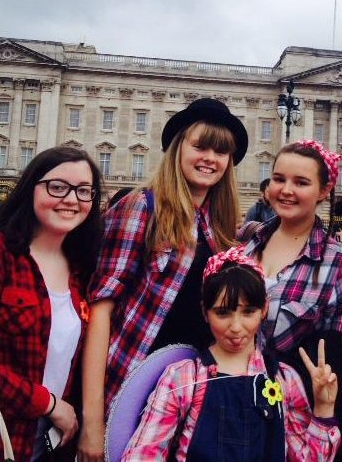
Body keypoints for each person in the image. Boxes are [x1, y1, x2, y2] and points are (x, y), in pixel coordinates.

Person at [79, 98, 249, 460]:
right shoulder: (142, 207)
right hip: (131, 383)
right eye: (200, 146)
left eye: (221, 152)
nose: (210, 158)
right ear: (178, 149)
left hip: (186, 393)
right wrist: (92, 423)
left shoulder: (217, 228)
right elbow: (101, 312)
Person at [0, 146, 103, 460]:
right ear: (31, 187)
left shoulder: (79, 267)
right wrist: (48, 404)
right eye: (58, 187)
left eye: (84, 191)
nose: (72, 199)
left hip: (52, 438)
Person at [122, 246, 341, 461]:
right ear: (205, 312)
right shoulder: (183, 378)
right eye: (223, 313)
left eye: (248, 311)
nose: (236, 327)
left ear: (264, 309)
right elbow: (144, 455)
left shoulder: (285, 379)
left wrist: (323, 406)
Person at [239, 139, 342, 462]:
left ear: (324, 191)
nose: (286, 190)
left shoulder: (339, 264)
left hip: (297, 420)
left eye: (301, 182)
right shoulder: (247, 247)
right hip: (236, 403)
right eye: (279, 179)